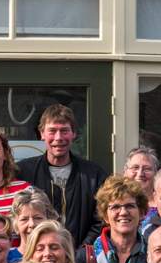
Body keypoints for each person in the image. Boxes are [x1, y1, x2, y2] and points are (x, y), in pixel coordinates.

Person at [16, 103, 107, 245]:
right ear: (42, 134)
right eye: (52, 131)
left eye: (64, 131)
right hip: (36, 255)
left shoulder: (94, 175)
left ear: (74, 133)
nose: (58, 138)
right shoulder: (24, 173)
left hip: (80, 259)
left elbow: (101, 219)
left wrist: (80, 252)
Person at [82, 176, 149, 263]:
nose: (123, 212)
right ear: (105, 216)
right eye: (115, 207)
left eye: (130, 206)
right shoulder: (85, 259)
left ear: (141, 213)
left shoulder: (154, 255)